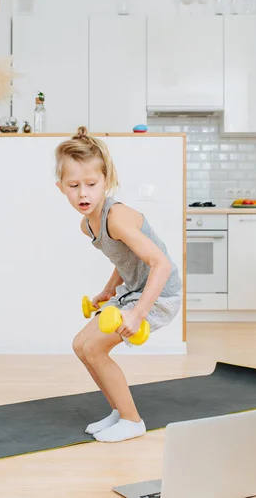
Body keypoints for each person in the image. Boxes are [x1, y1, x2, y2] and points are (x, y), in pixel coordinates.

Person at [55, 126, 182, 443]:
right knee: (81, 345)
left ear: (106, 183)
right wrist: (109, 290)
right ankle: (117, 409)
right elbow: (123, 258)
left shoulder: (116, 217)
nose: (83, 194)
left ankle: (132, 420)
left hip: (158, 294)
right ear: (61, 188)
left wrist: (138, 313)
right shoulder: (88, 226)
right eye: (74, 185)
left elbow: (161, 264)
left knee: (96, 349)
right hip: (130, 292)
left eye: (91, 184)